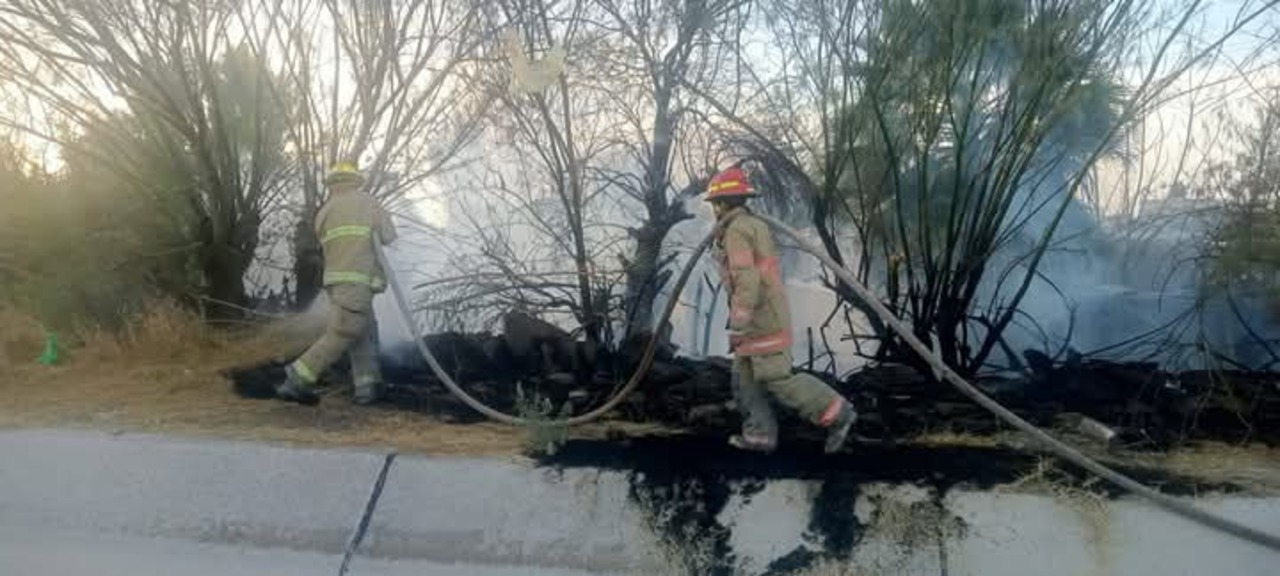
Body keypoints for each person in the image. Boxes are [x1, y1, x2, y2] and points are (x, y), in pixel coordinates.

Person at [706, 165, 857, 453]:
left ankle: (840, 414)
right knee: (744, 378)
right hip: (761, 316)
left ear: (723, 204)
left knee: (778, 380)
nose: (714, 209)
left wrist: (738, 324)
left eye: (715, 203)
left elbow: (746, 280)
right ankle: (760, 435)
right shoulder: (750, 225)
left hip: (761, 320)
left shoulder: (737, 230)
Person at [275, 161, 398, 406]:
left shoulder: (325, 212)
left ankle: (368, 387)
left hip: (335, 283)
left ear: (332, 184)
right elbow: (389, 235)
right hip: (358, 281)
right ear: (356, 181)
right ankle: (296, 380)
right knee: (344, 332)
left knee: (363, 331)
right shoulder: (368, 203)